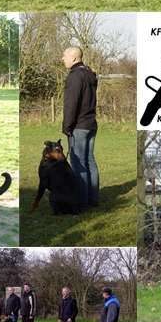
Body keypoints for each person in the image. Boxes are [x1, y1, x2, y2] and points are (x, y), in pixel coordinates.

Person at [63, 46, 99, 208]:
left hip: (79, 126)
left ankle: (81, 202)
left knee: (79, 164)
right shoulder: (89, 74)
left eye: (64, 56)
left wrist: (67, 126)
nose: (62, 59)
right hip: (91, 124)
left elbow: (72, 103)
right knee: (90, 161)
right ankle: (93, 199)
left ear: (73, 58)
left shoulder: (75, 76)